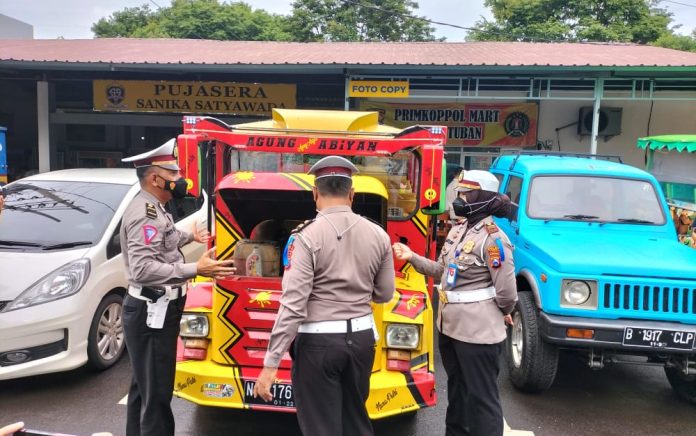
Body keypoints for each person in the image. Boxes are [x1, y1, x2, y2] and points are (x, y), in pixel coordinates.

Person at [253, 155, 395, 436]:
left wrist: (271, 363)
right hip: (362, 341)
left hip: (318, 344)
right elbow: (384, 293)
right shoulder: (379, 235)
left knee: (321, 427)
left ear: (315, 193)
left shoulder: (304, 237)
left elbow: (293, 304)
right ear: (351, 194)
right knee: (356, 420)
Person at [120, 138, 236, 436]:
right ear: (155, 177)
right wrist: (197, 268)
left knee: (144, 388)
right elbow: (144, 269)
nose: (179, 180)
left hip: (155, 310)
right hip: (152, 311)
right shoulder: (143, 214)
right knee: (157, 394)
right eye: (172, 174)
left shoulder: (154, 207)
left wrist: (189, 236)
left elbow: (164, 239)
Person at [393, 170, 518, 436]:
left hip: (478, 333)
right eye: (459, 192)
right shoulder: (459, 229)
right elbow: (442, 271)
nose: (459, 198)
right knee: (458, 396)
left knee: (482, 401)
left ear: (482, 196)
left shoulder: (494, 240)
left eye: (465, 193)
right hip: (450, 328)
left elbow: (507, 294)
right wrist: (411, 256)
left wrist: (502, 313)